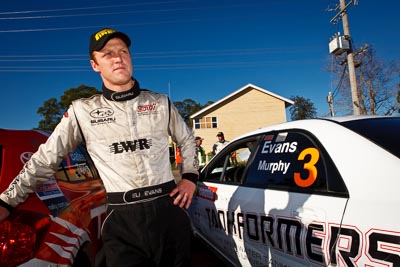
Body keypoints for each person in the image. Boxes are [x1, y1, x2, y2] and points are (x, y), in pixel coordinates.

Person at [0, 28, 199, 267]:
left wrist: (189, 177)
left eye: (123, 52)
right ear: (95, 65)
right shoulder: (81, 111)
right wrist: (6, 202)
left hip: (169, 210)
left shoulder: (159, 102)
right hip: (122, 218)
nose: (118, 58)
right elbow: (44, 160)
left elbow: (187, 140)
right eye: (108, 54)